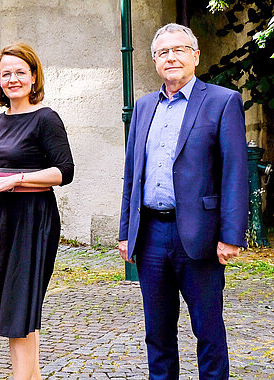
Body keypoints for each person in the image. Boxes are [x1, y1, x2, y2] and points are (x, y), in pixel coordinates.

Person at [118, 23, 248, 380]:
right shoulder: (143, 107)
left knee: (207, 331)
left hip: (200, 236)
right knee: (157, 334)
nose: (171, 57)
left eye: (178, 50)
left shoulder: (222, 101)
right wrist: (126, 231)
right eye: (163, 52)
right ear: (154, 60)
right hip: (151, 236)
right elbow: (133, 175)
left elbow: (235, 172)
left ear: (195, 56)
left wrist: (232, 235)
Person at [0, 42, 74, 380]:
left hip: (34, 219)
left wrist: (16, 179)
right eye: (6, 74)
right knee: (18, 310)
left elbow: (64, 172)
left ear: (33, 77)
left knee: (18, 310)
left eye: (20, 72)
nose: (13, 79)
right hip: (1, 219)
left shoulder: (46, 118)